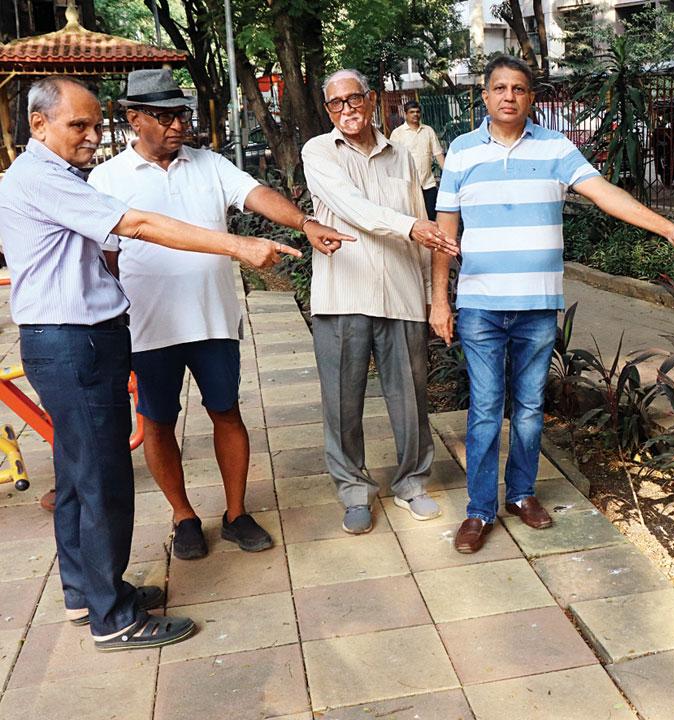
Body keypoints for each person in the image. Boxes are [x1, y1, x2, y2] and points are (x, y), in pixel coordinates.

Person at [0, 75, 298, 650]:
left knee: (76, 479)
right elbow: (134, 226)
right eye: (77, 126)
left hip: (78, 338)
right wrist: (238, 246)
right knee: (104, 480)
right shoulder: (44, 178)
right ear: (39, 125)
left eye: (93, 123)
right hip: (73, 341)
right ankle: (116, 620)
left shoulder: (56, 175)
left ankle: (86, 594)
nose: (91, 136)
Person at [431, 55, 674, 554]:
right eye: (499, 87)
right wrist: (439, 301)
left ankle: (520, 494)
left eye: (518, 88)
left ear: (531, 97)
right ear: (484, 95)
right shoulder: (460, 151)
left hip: (538, 306)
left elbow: (606, 194)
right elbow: (444, 235)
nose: (508, 96)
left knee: (530, 408)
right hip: (479, 306)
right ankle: (478, 510)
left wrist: (668, 228)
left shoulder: (557, 148)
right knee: (484, 410)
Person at [88, 69, 352, 560]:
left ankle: (235, 512)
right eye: (164, 117)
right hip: (148, 328)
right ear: (133, 119)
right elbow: (105, 260)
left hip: (212, 321)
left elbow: (256, 195)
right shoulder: (106, 180)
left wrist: (305, 222)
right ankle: (184, 516)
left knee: (226, 412)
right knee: (159, 422)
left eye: (180, 115)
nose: (176, 126)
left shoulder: (209, 164)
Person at [301, 69, 460, 535]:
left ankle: (412, 482)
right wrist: (411, 228)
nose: (347, 109)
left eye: (354, 99)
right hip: (343, 294)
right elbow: (352, 207)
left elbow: (421, 220)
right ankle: (353, 490)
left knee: (411, 398)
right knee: (342, 402)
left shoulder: (402, 157)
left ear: (372, 101)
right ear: (327, 110)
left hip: (400, 293)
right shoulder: (318, 152)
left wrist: (437, 298)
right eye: (336, 103)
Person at [388, 100, 446, 221]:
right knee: (412, 220)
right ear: (405, 114)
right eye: (411, 112)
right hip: (408, 185)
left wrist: (448, 175)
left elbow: (438, 154)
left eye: (417, 112)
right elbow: (392, 159)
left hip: (428, 184)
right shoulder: (397, 133)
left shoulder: (428, 131)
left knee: (431, 218)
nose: (415, 114)